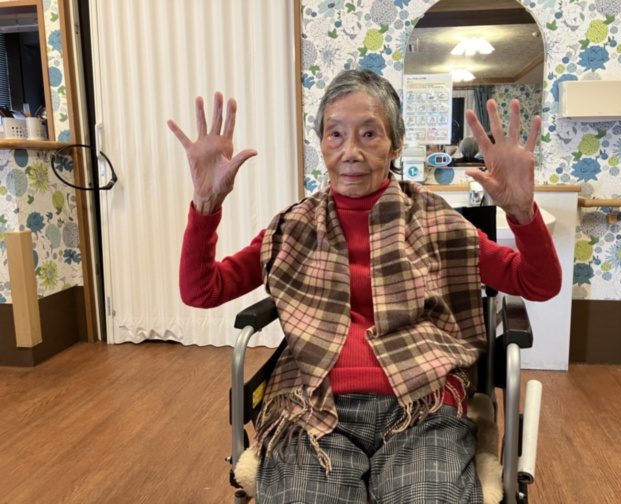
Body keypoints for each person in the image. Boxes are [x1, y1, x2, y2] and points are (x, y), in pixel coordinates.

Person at [169, 69, 561, 504]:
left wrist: (523, 214)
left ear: (395, 144)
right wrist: (206, 206)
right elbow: (202, 291)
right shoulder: (293, 227)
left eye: (369, 134)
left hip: (423, 403)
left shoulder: (434, 220)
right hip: (311, 406)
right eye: (335, 134)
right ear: (322, 144)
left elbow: (537, 282)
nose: (350, 151)